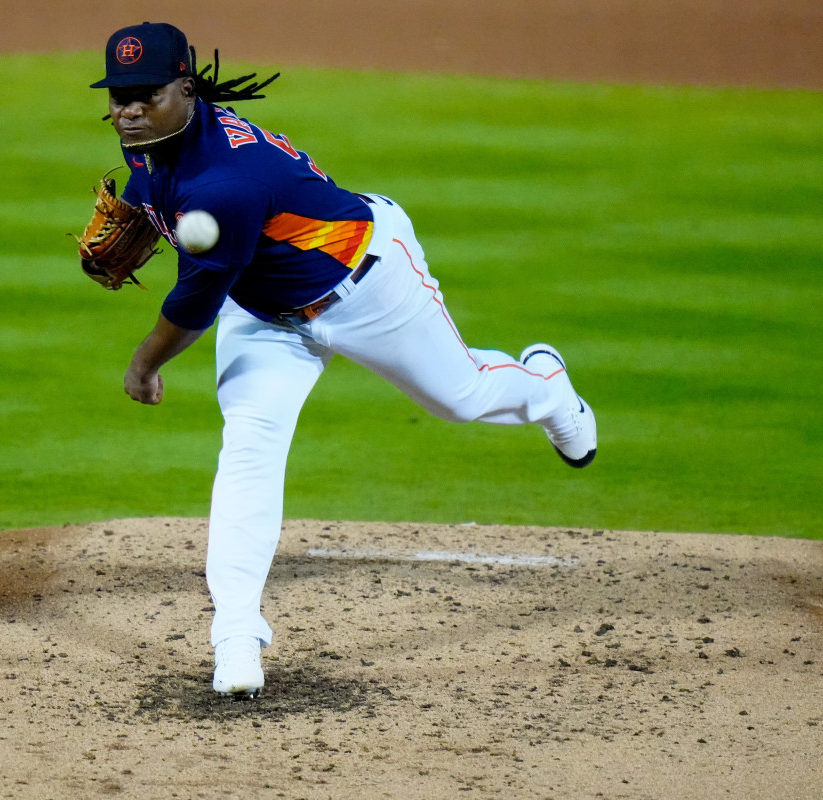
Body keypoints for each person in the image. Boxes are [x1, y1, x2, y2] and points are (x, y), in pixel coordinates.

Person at [87, 22, 597, 698]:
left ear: (185, 87)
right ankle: (236, 636)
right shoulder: (157, 144)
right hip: (265, 312)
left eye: (143, 95)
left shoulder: (229, 182)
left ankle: (547, 387)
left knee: (463, 397)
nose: (127, 110)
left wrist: (143, 365)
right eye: (118, 95)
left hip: (367, 284)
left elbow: (192, 305)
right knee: (250, 444)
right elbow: (165, 203)